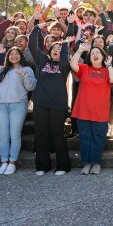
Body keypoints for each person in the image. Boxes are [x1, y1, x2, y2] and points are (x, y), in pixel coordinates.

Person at [0, 44, 37, 175]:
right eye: (11, 54)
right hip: (1, 105)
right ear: (8, 57)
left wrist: (24, 75)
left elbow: (31, 87)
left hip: (18, 105)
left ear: (21, 56)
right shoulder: (2, 70)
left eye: (16, 54)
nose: (14, 56)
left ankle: (12, 162)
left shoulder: (27, 69)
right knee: (3, 136)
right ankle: (4, 162)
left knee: (14, 135)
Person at [29, 22, 72, 176]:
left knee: (57, 134)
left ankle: (62, 166)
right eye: (54, 48)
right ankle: (42, 165)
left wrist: (64, 46)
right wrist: (36, 28)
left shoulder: (64, 66)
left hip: (58, 105)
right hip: (40, 103)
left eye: (59, 49)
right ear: (49, 50)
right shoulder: (42, 60)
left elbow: (64, 61)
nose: (56, 50)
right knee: (41, 134)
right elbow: (32, 45)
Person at [70, 42, 113, 175]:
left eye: (98, 53)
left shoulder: (106, 70)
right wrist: (80, 50)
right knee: (85, 139)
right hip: (83, 111)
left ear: (103, 56)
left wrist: (109, 65)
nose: (95, 55)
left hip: (100, 112)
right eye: (92, 53)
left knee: (98, 139)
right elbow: (73, 65)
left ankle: (96, 163)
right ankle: (86, 163)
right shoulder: (85, 68)